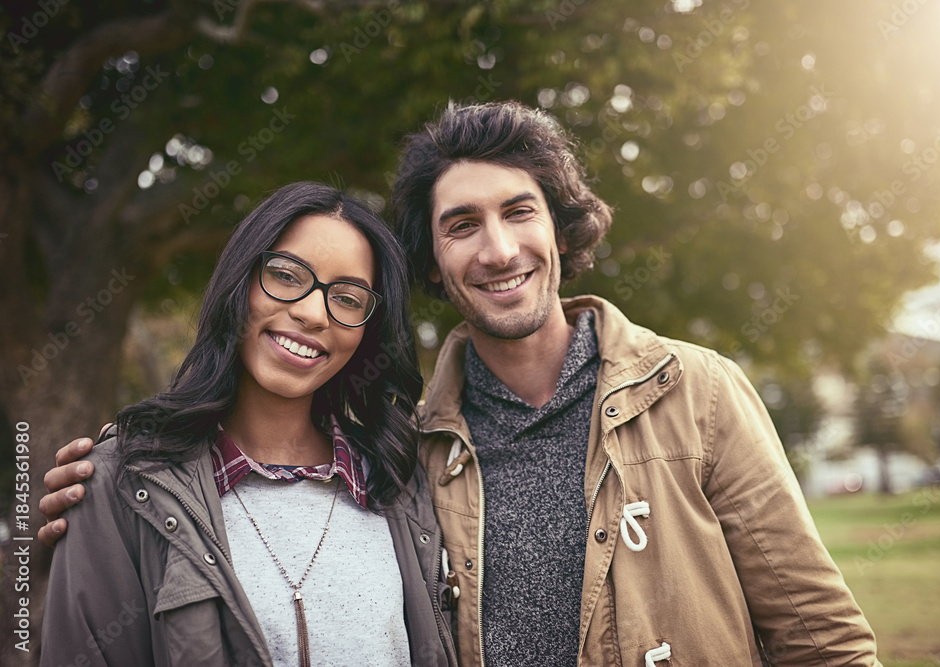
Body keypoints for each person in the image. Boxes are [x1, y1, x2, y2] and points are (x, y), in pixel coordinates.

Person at [41, 102, 880, 665]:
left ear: (560, 225)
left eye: (520, 211)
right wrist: (39, 542)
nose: (499, 249)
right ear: (434, 262)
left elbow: (823, 638)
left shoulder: (696, 392)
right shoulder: (415, 447)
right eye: (461, 225)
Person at [39, 182, 458, 667]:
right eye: (285, 274)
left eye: (347, 298)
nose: (311, 312)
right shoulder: (122, 481)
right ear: (240, 280)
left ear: (368, 330)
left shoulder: (401, 485)